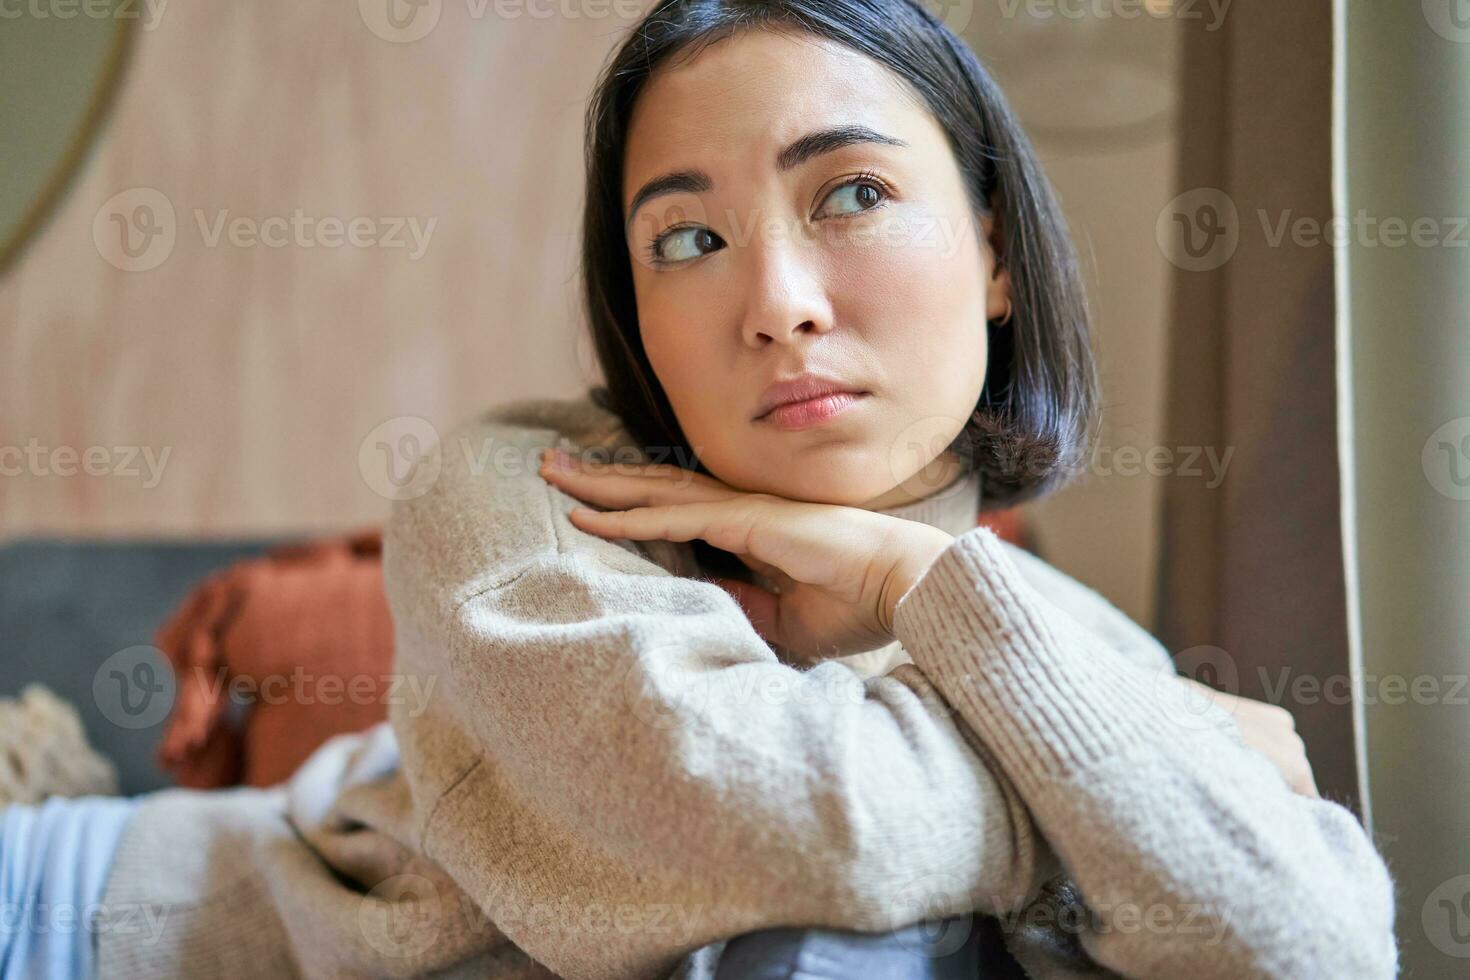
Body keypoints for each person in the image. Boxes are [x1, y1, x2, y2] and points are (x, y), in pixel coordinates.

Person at [2, 1, 1399, 977]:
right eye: (685, 238)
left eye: (848, 193)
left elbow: (1308, 951)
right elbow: (776, 828)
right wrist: (1126, 774)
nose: (778, 304)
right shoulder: (524, 492)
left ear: (992, 253)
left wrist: (922, 583)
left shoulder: (1070, 642)